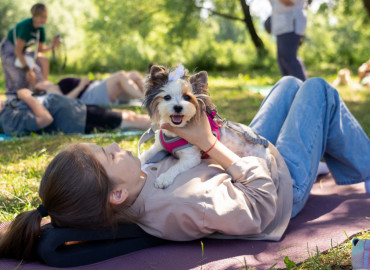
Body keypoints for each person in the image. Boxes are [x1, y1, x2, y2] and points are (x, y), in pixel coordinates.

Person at [0, 76, 369, 260]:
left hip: (238, 156)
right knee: (318, 89)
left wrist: (189, 136)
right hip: (280, 182)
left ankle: (336, 160)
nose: (115, 146)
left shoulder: (133, 186)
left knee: (289, 83)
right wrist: (209, 143)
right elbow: (262, 205)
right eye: (109, 155)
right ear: (117, 194)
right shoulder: (184, 205)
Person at [0, 88, 150, 136]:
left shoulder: (7, 109)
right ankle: (167, 127)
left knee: (130, 116)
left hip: (78, 110)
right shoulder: (8, 121)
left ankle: (164, 123)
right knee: (130, 119)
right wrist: (27, 97)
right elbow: (44, 119)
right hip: (78, 120)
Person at [0, 3, 61, 98]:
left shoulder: (40, 30)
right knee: (19, 77)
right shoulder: (26, 26)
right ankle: (14, 102)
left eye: (45, 17)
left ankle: (38, 95)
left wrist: (53, 46)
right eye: (41, 17)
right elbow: (17, 51)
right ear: (34, 16)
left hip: (21, 52)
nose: (44, 20)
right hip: (9, 50)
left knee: (36, 72)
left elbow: (40, 50)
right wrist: (28, 70)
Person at [34, 70, 145, 106]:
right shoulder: (51, 92)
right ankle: (146, 100)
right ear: (42, 90)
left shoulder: (56, 86)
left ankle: (153, 95)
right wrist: (81, 86)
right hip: (88, 96)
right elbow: (64, 102)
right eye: (40, 83)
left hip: (94, 87)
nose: (43, 81)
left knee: (134, 74)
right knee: (120, 75)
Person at [269, 0, 308, 81]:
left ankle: (303, 88)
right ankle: (290, 87)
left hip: (291, 22)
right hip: (282, 24)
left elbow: (289, 2)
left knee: (289, 58)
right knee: (282, 59)